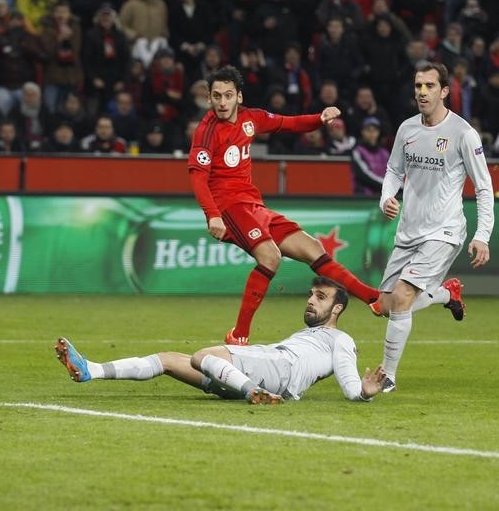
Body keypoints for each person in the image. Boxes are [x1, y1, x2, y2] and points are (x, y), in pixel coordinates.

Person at [188, 66, 380, 345]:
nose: (222, 102)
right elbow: (198, 177)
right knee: (270, 257)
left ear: (239, 97)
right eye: (216, 95)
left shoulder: (250, 119)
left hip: (254, 205)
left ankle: (371, 298)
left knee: (313, 248)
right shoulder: (206, 132)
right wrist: (213, 216)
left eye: (228, 95)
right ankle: (239, 334)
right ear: (209, 98)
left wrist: (319, 118)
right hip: (229, 209)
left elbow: (287, 124)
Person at [55, 277, 387, 404]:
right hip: (263, 365)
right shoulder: (308, 334)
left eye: (321, 296)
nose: (311, 300)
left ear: (338, 308)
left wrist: (364, 393)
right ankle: (91, 370)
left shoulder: (339, 338)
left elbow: (349, 383)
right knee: (169, 359)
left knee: (203, 355)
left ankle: (255, 393)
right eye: (311, 294)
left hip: (279, 371)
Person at [371, 62, 494, 392]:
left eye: (428, 86)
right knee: (385, 305)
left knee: (401, 296)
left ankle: (387, 376)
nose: (421, 92)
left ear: (444, 91)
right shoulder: (407, 129)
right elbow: (394, 171)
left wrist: (482, 235)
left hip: (445, 231)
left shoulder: (463, 134)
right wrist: (387, 199)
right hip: (409, 232)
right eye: (417, 86)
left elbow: (484, 187)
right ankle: (445, 293)